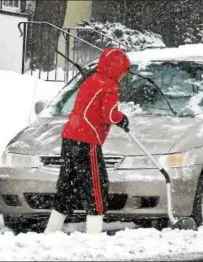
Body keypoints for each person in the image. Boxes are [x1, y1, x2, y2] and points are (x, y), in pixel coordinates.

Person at [44, 48, 131, 234]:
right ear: (116, 69)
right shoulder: (110, 86)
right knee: (97, 186)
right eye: (124, 71)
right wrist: (121, 118)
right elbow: (108, 115)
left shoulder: (91, 80)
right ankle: (94, 234)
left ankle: (51, 231)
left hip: (69, 138)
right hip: (87, 140)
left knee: (67, 184)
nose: (124, 76)